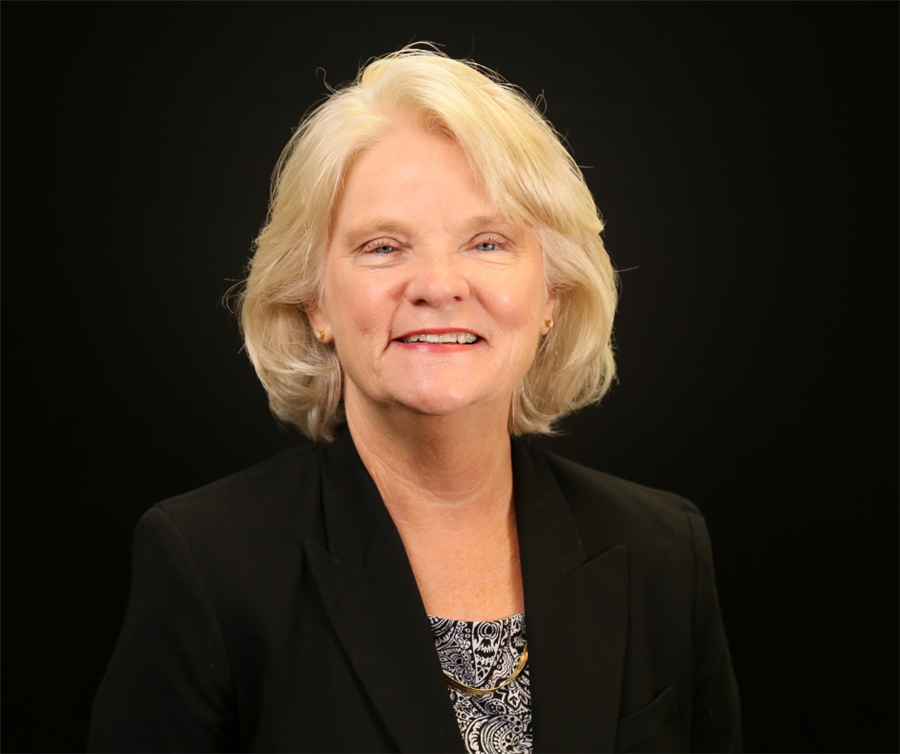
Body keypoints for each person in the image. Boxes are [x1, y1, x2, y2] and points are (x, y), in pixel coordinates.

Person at [89, 47, 741, 753]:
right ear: (314, 301)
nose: (438, 285)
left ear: (552, 294)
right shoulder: (206, 563)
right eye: (383, 247)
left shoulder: (663, 549)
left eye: (487, 243)